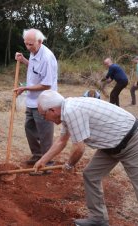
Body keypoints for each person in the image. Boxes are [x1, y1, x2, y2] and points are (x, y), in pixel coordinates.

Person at [34, 90, 138, 226]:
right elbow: (62, 141)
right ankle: (98, 219)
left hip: (132, 141)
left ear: (52, 110)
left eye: (43, 115)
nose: (45, 119)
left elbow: (79, 148)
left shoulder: (71, 111)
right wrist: (43, 161)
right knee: (91, 175)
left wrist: (69, 165)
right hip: (110, 145)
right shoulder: (66, 111)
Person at [14, 28, 58, 166]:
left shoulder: (47, 57)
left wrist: (25, 88)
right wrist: (23, 60)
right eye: (26, 44)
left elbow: (46, 84)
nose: (27, 47)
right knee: (30, 128)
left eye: (30, 44)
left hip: (45, 100)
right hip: (32, 100)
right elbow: (35, 68)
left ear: (40, 41)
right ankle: (37, 155)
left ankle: (47, 162)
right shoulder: (34, 52)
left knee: (44, 133)